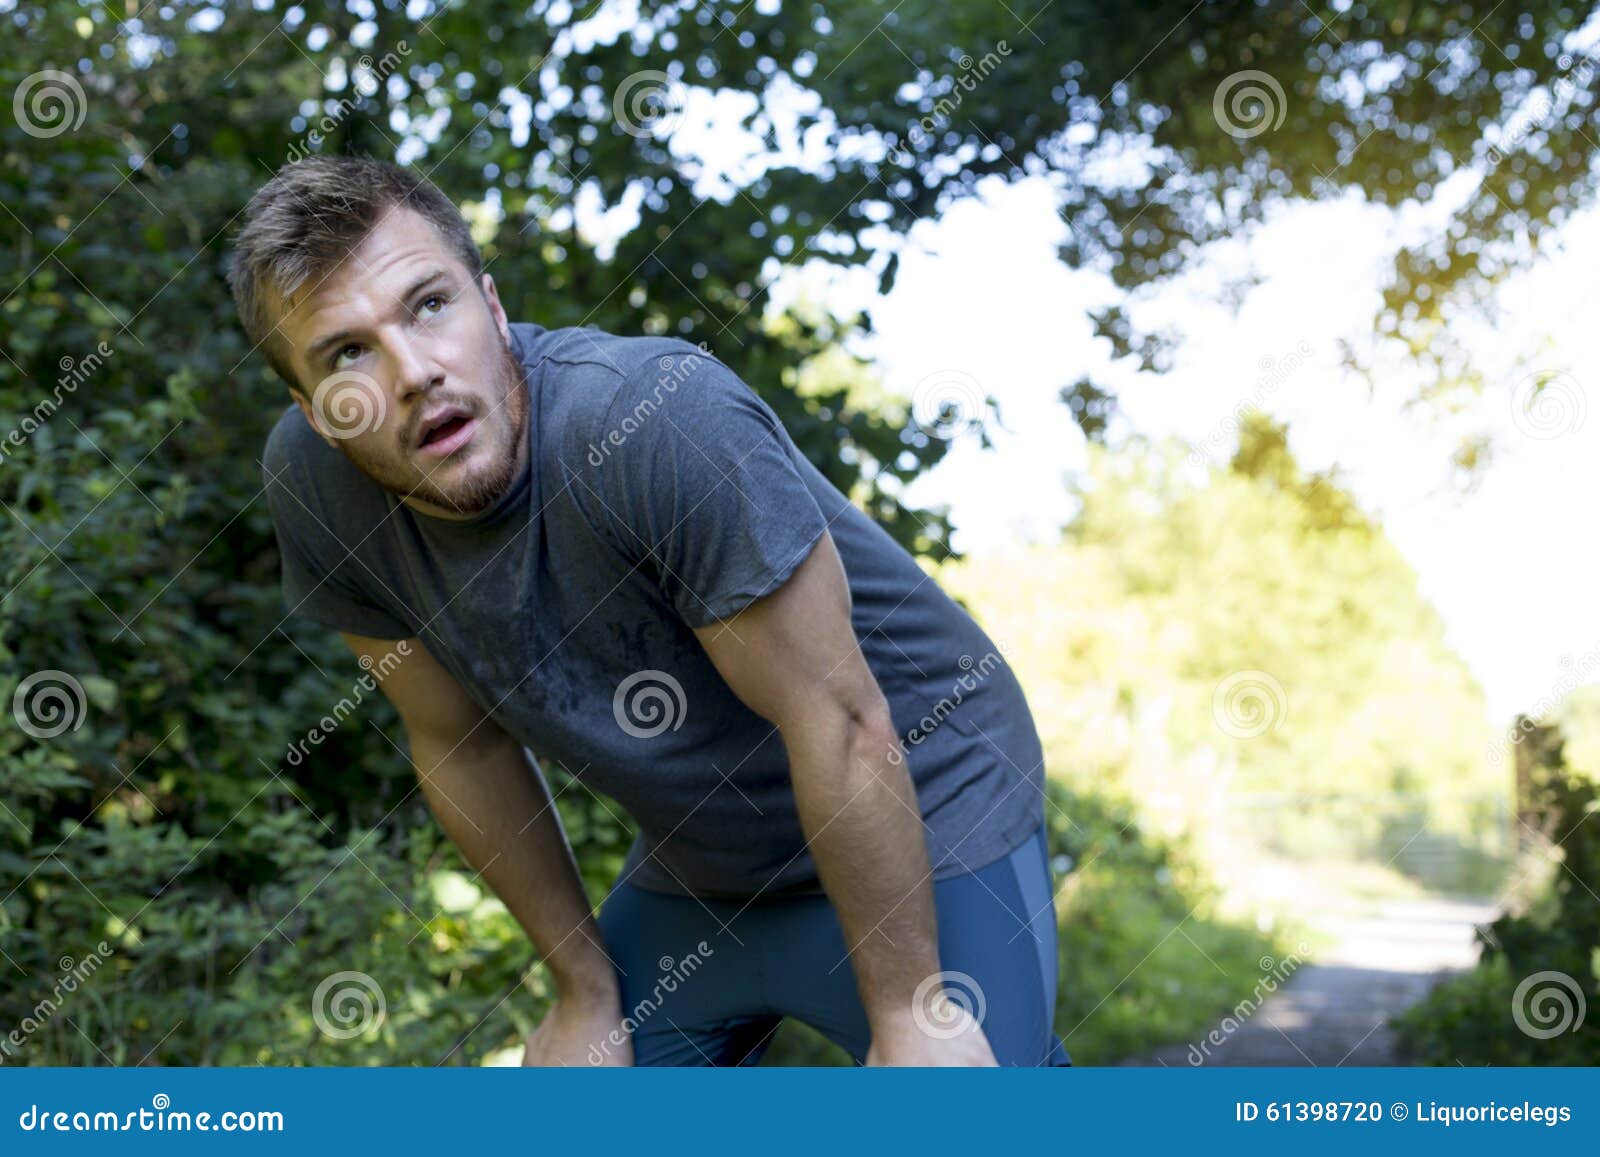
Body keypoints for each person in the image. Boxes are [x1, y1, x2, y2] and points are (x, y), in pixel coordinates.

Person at [230, 154, 1071, 1067]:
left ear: (494, 305)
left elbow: (838, 719)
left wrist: (912, 1015)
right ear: (311, 409)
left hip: (928, 789)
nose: (414, 372)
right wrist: (580, 989)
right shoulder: (317, 493)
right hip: (704, 862)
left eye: (429, 304)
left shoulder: (653, 421)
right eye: (347, 352)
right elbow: (459, 742)